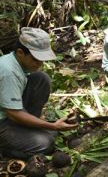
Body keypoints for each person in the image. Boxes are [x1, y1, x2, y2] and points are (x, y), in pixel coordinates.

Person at [0, 27, 77, 157]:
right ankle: (5, 148)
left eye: (42, 59)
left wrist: (46, 125)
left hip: (10, 114)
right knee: (45, 143)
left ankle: (29, 127)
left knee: (41, 79)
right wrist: (51, 126)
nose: (40, 63)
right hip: (4, 120)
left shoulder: (17, 62)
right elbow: (13, 114)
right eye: (36, 59)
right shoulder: (9, 72)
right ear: (20, 52)